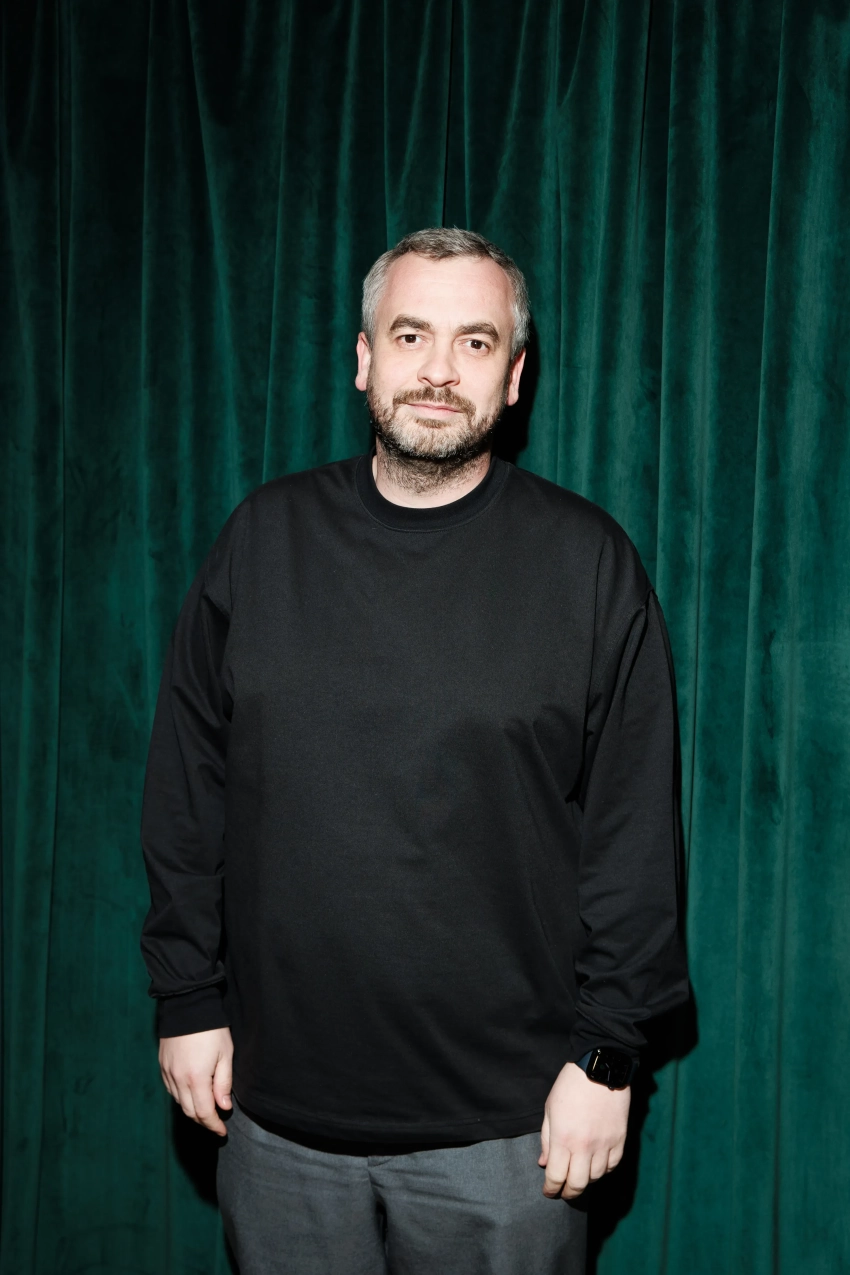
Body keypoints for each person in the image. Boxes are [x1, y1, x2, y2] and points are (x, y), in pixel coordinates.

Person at [140, 227, 689, 1275]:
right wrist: (187, 996)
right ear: (363, 358)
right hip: (276, 1118)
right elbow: (186, 786)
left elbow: (633, 836)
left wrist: (608, 1056)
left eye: (474, 342)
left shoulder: (586, 564)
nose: (439, 370)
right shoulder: (262, 539)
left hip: (510, 1134)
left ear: (514, 377)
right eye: (410, 335)